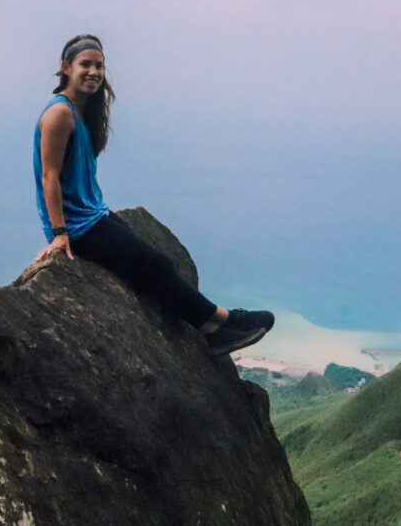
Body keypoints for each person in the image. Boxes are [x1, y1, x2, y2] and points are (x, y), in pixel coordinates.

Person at [33, 34, 274, 356]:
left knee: (151, 263)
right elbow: (49, 176)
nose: (93, 71)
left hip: (91, 214)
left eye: (99, 65)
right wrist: (60, 234)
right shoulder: (59, 113)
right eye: (85, 64)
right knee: (154, 263)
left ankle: (219, 322)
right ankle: (219, 324)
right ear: (65, 68)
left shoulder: (81, 111)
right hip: (77, 226)